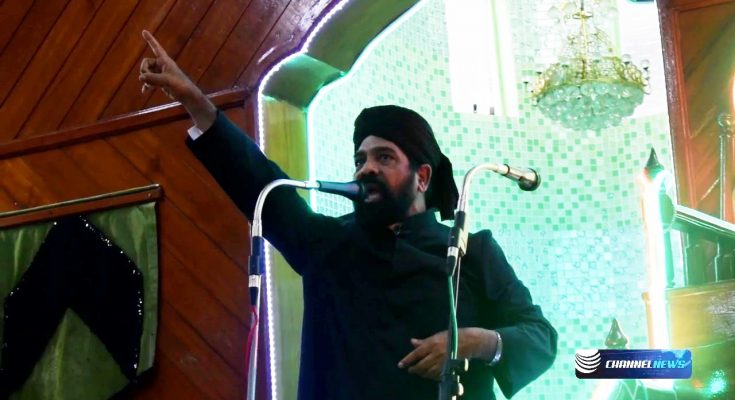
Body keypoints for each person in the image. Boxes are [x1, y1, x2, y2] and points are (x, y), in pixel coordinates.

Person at [139, 30, 557, 400]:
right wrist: (194, 100)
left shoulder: (471, 251)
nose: (365, 169)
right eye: (360, 159)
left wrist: (475, 341)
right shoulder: (327, 244)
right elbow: (256, 177)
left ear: (422, 177)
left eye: (384, 157)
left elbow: (540, 338)